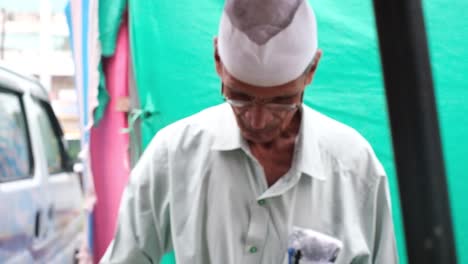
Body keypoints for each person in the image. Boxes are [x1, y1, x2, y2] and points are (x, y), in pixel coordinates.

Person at [100, 0, 398, 263]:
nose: (257, 120)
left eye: (281, 102)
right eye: (239, 97)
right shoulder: (174, 155)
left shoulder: (355, 168)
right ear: (217, 59)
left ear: (312, 70)